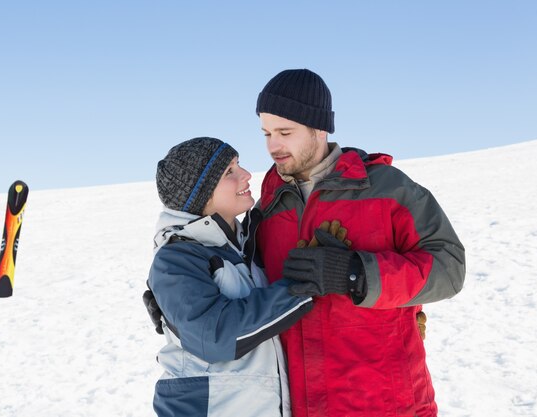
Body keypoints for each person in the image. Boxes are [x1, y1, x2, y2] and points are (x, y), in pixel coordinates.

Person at [254, 69, 466, 417]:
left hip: (389, 404)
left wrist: (356, 273)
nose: (272, 146)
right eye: (266, 133)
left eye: (285, 132)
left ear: (318, 128)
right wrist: (180, 294)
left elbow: (449, 268)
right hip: (300, 406)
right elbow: (240, 275)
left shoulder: (387, 189)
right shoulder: (269, 205)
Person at [146, 137, 318, 417]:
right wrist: (302, 286)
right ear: (200, 194)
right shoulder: (176, 259)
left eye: (238, 165)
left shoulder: (246, 244)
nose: (246, 175)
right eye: (229, 172)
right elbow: (215, 336)